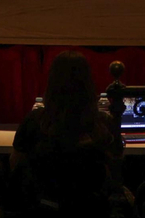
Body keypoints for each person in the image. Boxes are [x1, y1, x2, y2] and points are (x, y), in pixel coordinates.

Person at [11, 52, 120, 217]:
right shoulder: (103, 124)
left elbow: (15, 164)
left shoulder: (35, 121)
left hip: (43, 208)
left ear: (51, 83)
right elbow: (115, 169)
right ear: (89, 84)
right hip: (92, 209)